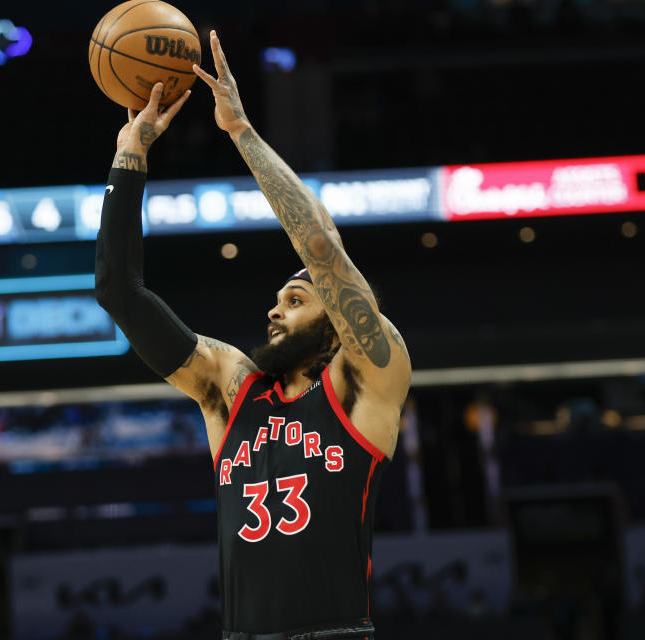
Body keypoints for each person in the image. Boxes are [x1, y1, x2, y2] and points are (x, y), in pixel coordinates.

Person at [96, 30, 411, 640]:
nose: (274, 312)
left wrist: (240, 131)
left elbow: (320, 247)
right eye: (274, 301)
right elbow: (118, 292)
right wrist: (127, 160)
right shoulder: (232, 385)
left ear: (335, 317)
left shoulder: (364, 380)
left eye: (294, 300)